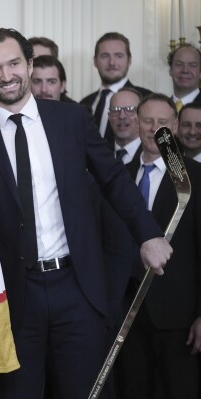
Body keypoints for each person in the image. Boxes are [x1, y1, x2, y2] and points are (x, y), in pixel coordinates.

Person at [0, 28, 172, 399]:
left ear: (29, 63)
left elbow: (114, 179)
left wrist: (148, 234)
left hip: (77, 287)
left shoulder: (71, 120)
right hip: (14, 296)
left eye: (13, 64)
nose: (6, 76)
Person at [115, 93, 201, 399]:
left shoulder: (194, 177)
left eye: (162, 122)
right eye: (148, 121)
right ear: (137, 123)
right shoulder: (119, 177)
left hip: (179, 320)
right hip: (128, 316)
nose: (154, 129)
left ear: (175, 127)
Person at [80, 32, 151, 146]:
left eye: (119, 56)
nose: (112, 63)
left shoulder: (146, 99)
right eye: (105, 56)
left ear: (129, 60)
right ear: (95, 61)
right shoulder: (84, 103)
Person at [108, 87, 142, 165]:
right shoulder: (100, 154)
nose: (122, 116)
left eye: (130, 109)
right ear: (109, 117)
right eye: (116, 109)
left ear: (141, 116)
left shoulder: (153, 154)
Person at [168, 44, 201, 110]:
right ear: (170, 70)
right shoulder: (162, 107)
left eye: (192, 65)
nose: (185, 70)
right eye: (179, 64)